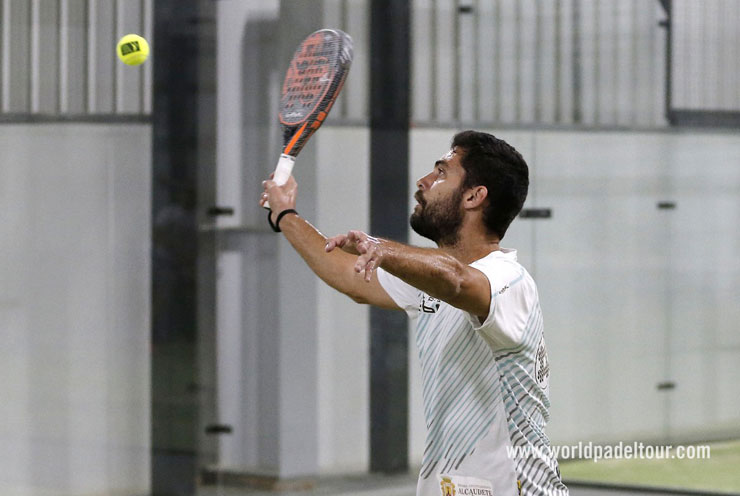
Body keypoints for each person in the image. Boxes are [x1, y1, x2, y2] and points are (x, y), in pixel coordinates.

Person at [260, 130, 568, 496]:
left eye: (441, 171)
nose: (423, 181)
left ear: (474, 196)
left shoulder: (511, 282)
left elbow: (455, 279)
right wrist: (285, 215)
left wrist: (383, 250)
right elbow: (348, 275)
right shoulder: (430, 278)